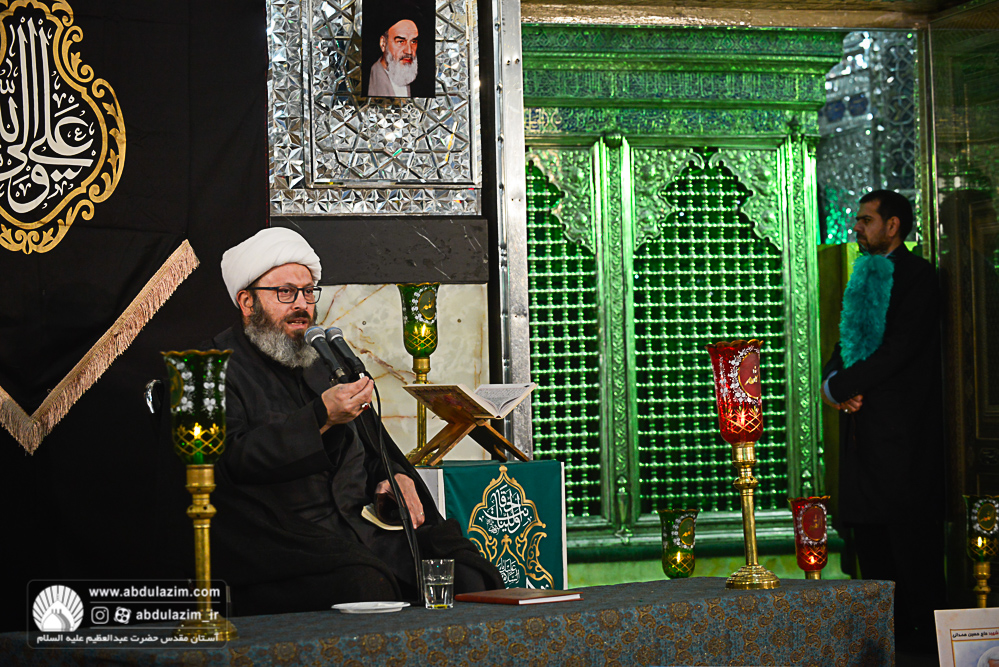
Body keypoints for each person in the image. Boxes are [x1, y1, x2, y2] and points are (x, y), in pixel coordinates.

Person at [207, 227, 501, 616]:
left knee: (467, 575)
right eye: (286, 293)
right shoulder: (216, 368)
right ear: (247, 301)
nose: (302, 305)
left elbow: (375, 449)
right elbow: (229, 463)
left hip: (365, 529)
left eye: (308, 292)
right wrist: (320, 417)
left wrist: (396, 478)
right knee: (366, 586)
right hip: (288, 540)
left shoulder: (321, 362)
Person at [820, 190, 946, 651]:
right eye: (858, 219)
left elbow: (899, 351)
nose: (857, 227)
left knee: (912, 560)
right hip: (863, 443)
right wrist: (831, 384)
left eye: (866, 220)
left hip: (904, 444)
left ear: (893, 226)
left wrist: (844, 385)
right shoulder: (863, 272)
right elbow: (845, 341)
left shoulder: (918, 276)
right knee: (872, 562)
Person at [367, 14, 419, 97]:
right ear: (383, 43)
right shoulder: (372, 80)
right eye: (401, 42)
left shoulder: (408, 76)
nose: (409, 51)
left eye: (413, 42)